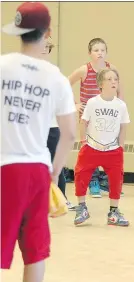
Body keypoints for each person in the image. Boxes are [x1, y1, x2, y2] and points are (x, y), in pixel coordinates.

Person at [1, 2, 76, 282]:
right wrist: (54, 174)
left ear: (18, 30)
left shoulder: (2, 66)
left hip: (5, 167)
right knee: (35, 250)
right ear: (48, 32)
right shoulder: (55, 78)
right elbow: (68, 134)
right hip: (37, 170)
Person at [68, 38, 124, 198]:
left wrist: (120, 107)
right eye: (96, 50)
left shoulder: (111, 69)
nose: (100, 53)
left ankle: (108, 181)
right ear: (89, 53)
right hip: (90, 115)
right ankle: (93, 181)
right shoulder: (84, 70)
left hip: (108, 114)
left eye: (102, 50)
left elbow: (119, 89)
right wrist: (76, 104)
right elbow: (65, 83)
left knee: (109, 145)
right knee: (90, 149)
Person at [74, 68, 130, 227]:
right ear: (100, 84)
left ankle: (114, 211)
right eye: (109, 79)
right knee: (81, 175)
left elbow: (123, 125)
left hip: (112, 149)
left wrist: (121, 145)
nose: (114, 82)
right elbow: (83, 122)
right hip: (91, 146)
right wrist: (83, 141)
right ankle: (82, 207)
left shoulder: (121, 105)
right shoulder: (93, 102)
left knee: (116, 179)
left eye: (116, 80)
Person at [42, 37, 75, 211]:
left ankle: (61, 198)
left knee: (57, 163)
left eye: (48, 47)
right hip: (32, 128)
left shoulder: (54, 74)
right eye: (42, 44)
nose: (44, 49)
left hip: (52, 126)